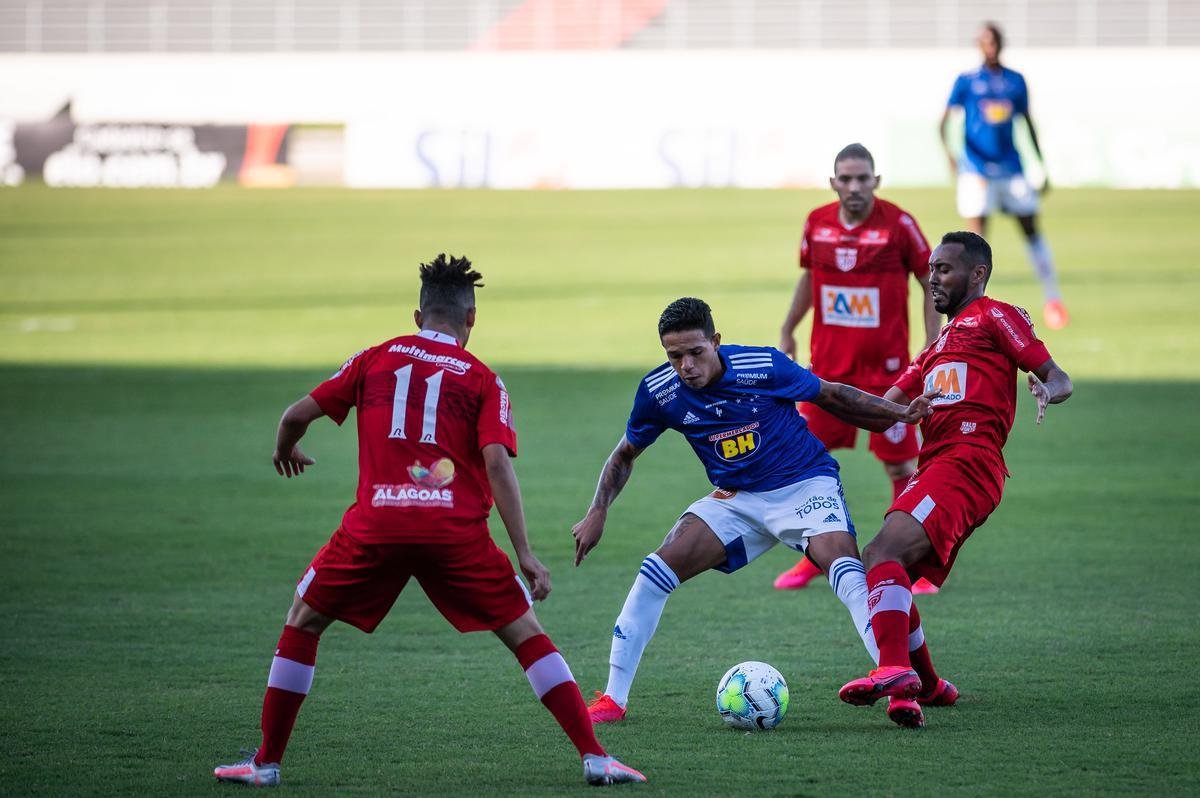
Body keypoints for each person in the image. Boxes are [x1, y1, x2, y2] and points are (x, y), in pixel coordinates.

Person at [213, 255, 644, 787]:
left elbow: (294, 416)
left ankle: (266, 764)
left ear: (417, 315)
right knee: (525, 633)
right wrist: (526, 553)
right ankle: (595, 756)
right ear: (472, 319)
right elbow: (495, 462)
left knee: (303, 620)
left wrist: (288, 448)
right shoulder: (484, 379)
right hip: (454, 534)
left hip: (375, 527)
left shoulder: (374, 359)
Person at [573, 297, 939, 723]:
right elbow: (623, 454)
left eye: (696, 352)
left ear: (716, 341)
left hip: (805, 483)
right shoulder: (660, 392)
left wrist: (899, 413)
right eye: (675, 357)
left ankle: (898, 687)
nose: (686, 366)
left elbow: (831, 394)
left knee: (844, 570)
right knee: (655, 571)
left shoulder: (762, 365)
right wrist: (598, 510)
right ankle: (613, 699)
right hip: (738, 498)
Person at [837, 231, 1072, 729]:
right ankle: (930, 687)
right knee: (891, 575)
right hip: (940, 466)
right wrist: (812, 395)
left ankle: (894, 669)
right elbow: (882, 411)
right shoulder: (935, 347)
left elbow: (1058, 376)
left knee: (881, 554)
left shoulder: (994, 316)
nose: (932, 277)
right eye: (931, 269)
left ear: (978, 275)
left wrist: (1046, 389)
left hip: (966, 462)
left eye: (944, 268)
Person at [775, 142, 943, 594]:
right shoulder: (818, 224)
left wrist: (931, 342)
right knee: (807, 466)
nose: (853, 186)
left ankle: (915, 562)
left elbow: (930, 281)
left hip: (887, 374)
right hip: (827, 375)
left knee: (902, 465)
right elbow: (810, 276)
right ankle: (816, 560)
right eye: (845, 179)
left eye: (861, 178)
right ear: (834, 183)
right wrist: (790, 326)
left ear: (876, 181)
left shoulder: (899, 225)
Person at [940, 21, 1069, 331]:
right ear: (979, 45)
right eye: (986, 42)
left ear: (1001, 44)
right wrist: (952, 158)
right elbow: (943, 122)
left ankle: (1053, 299)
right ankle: (973, 310)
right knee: (975, 243)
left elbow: (1028, 123)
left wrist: (1041, 165)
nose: (991, 47)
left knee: (1031, 230)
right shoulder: (967, 81)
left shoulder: (1015, 81)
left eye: (995, 41)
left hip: (1012, 169)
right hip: (977, 171)